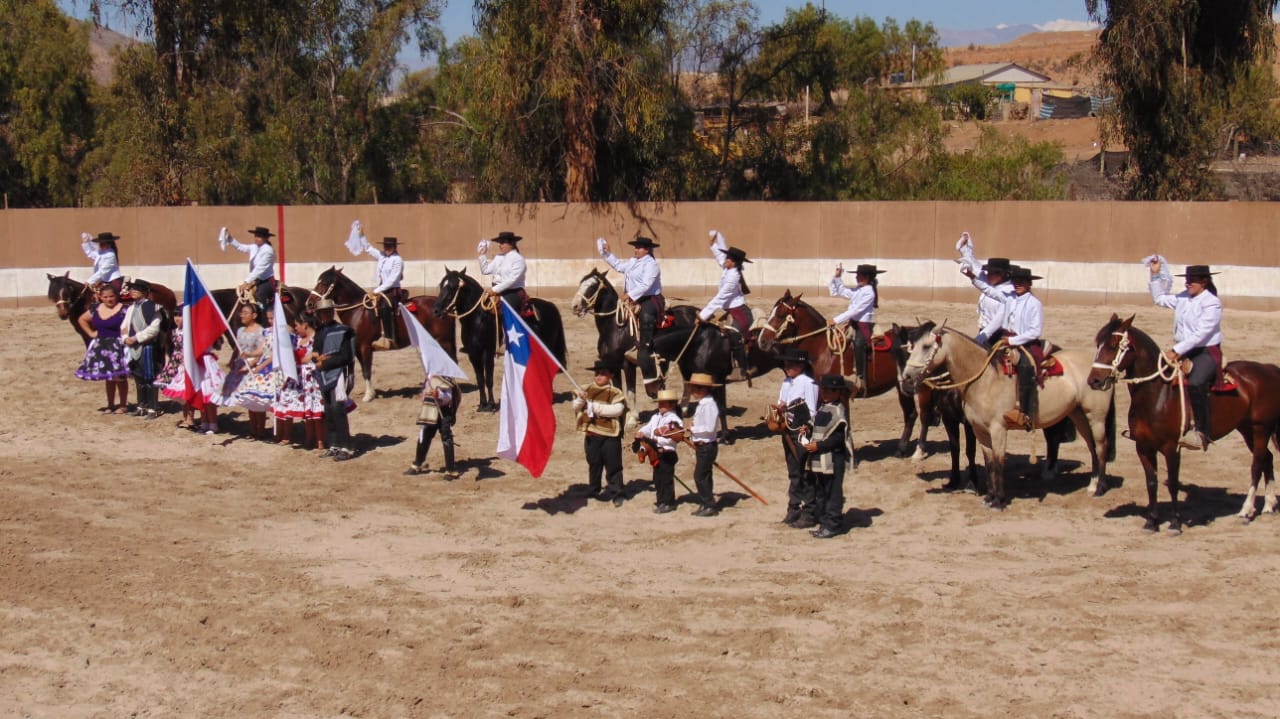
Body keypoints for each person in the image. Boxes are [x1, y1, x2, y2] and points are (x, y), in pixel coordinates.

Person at [1149, 259, 1223, 451]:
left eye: (1193, 280)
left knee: (1197, 382)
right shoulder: (1182, 297)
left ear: (1204, 282)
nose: (1188, 283)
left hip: (1204, 351)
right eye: (1187, 279)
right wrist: (1156, 274)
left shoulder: (1212, 303)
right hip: (1182, 349)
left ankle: (1202, 432)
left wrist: (1177, 350)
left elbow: (1201, 334)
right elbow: (1159, 299)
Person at [970, 265, 1044, 431]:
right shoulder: (1009, 298)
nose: (1018, 284)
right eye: (1016, 281)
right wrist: (972, 278)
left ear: (1029, 284)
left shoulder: (1034, 304)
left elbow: (1035, 331)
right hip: (1005, 340)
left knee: (1025, 367)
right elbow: (989, 290)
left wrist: (1013, 341)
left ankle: (1025, 412)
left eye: (1022, 282)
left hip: (1026, 343)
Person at [598, 236, 664, 389]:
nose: (636, 249)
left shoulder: (651, 265)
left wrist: (630, 295)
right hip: (634, 298)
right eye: (635, 247)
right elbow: (620, 266)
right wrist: (607, 254)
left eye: (639, 247)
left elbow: (646, 284)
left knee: (646, 316)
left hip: (650, 298)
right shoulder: (634, 261)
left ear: (646, 250)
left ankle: (645, 348)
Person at [773, 347, 819, 528]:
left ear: (800, 365)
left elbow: (812, 412)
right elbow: (780, 402)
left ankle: (809, 511)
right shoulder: (787, 382)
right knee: (793, 470)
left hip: (801, 431)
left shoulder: (809, 384)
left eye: (790, 364)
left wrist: (804, 427)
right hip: (787, 430)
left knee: (805, 471)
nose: (786, 367)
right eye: (785, 364)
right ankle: (794, 507)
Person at [700, 230, 754, 383]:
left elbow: (720, 298)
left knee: (734, 335)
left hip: (740, 312)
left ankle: (743, 369)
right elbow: (720, 256)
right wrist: (713, 245)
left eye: (728, 258)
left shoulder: (733, 277)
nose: (725, 259)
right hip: (729, 310)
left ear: (734, 262)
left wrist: (703, 315)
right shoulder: (728, 268)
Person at [573, 360, 628, 506]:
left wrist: (594, 407)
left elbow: (617, 410)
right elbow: (576, 408)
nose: (599, 376)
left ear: (610, 376)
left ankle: (617, 491)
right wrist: (580, 399)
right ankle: (594, 488)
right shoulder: (585, 390)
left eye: (603, 374)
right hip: (592, 434)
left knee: (613, 465)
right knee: (594, 463)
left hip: (610, 436)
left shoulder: (616, 393)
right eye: (597, 373)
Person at [804, 375, 852, 539]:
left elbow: (838, 439)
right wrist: (807, 430)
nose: (823, 393)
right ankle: (824, 522)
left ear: (837, 392)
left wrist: (818, 446)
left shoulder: (839, 411)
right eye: (823, 389)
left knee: (833, 493)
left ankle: (833, 525)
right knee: (822, 492)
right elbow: (816, 425)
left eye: (827, 390)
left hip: (833, 459)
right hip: (821, 459)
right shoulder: (824, 408)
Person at [310, 298, 357, 461]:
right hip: (323, 373)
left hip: (338, 374)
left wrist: (326, 362)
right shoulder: (320, 331)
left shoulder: (344, 331)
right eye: (322, 313)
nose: (325, 315)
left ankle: (346, 446)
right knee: (328, 410)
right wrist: (316, 357)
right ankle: (334, 444)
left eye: (327, 312)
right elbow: (316, 350)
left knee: (338, 410)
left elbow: (346, 356)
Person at [828, 262, 884, 393]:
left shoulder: (869, 292)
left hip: (863, 326)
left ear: (868, 277)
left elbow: (856, 310)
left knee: (859, 343)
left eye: (859, 275)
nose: (856, 277)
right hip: (853, 323)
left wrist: (836, 320)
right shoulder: (858, 290)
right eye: (857, 275)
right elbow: (838, 291)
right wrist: (837, 276)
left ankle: (860, 377)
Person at [75, 283, 131, 413]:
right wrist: (91, 333)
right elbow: (82, 320)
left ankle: (123, 404)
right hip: (101, 345)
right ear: (100, 297)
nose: (109, 299)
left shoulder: (125, 309)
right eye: (105, 297)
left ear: (116, 296)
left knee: (120, 378)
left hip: (118, 346)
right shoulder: (95, 308)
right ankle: (110, 404)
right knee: (108, 378)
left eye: (111, 296)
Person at [273, 312, 326, 450]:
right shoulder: (297, 339)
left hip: (313, 378)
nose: (295, 328)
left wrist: (313, 357)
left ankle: (320, 439)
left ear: (305, 325)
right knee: (306, 411)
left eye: (297, 325)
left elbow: (322, 355)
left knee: (316, 410)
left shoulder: (317, 338)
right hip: (299, 378)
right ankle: (310, 438)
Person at [955, 232, 1016, 344]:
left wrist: (979, 340)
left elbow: (996, 323)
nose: (987, 274)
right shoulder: (991, 282)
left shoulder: (1008, 293)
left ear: (1001, 274)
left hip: (999, 336)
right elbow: (975, 266)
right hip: (984, 332)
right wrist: (964, 248)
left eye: (991, 273)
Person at [121, 279, 166, 420]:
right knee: (138, 378)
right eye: (132, 289)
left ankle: (153, 407)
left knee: (150, 377)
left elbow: (153, 329)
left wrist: (136, 338)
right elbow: (125, 326)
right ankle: (142, 406)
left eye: (137, 289)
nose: (133, 291)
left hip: (148, 348)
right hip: (133, 348)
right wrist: (125, 338)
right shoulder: (131, 308)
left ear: (145, 292)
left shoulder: (154, 308)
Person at [635, 389, 683, 514]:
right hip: (656, 453)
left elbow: (674, 434)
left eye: (663, 403)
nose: (660, 405)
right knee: (658, 478)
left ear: (671, 405)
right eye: (660, 403)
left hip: (666, 452)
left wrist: (658, 437)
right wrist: (641, 432)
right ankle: (661, 500)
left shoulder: (674, 420)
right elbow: (648, 428)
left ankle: (668, 502)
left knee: (666, 479)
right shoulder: (655, 417)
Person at [406, 374, 461, 478]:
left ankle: (451, 469)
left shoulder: (445, 377)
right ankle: (418, 463)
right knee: (425, 436)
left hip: (443, 413)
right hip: (430, 411)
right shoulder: (430, 376)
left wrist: (438, 395)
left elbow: (448, 397)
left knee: (446, 438)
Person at [685, 372, 722, 517]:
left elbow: (710, 427)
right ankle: (706, 502)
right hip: (702, 445)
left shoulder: (709, 405)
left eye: (696, 389)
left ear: (703, 390)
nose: (693, 392)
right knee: (705, 475)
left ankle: (709, 504)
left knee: (699, 476)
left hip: (707, 446)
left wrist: (693, 429)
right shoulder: (703, 404)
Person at [224, 226, 277, 311]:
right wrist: (230, 239)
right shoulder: (254, 247)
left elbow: (259, 269)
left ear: (266, 238)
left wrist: (246, 282)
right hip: (256, 281)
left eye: (259, 236)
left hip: (266, 281)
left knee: (260, 297)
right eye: (256, 236)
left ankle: (264, 320)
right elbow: (241, 247)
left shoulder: (268, 251)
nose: (256, 238)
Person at [367, 236, 405, 351]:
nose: (387, 248)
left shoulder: (398, 260)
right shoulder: (382, 256)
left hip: (392, 290)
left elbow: (392, 281)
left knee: (384, 307)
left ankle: (389, 338)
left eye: (389, 246)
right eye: (385, 246)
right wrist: (360, 236)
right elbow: (369, 248)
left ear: (394, 247)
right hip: (382, 288)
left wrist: (376, 290)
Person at [478, 231, 529, 316]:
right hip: (495, 291)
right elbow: (485, 270)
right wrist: (482, 255)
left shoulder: (518, 259)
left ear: (511, 244)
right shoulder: (498, 257)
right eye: (499, 243)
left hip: (512, 292)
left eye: (502, 243)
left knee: (506, 312)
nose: (500, 245)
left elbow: (511, 280)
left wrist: (494, 290)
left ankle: (510, 329)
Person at [81, 231, 124, 297]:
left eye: (102, 244)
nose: (100, 245)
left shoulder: (110, 255)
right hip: (104, 281)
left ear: (109, 244)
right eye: (100, 243)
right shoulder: (101, 252)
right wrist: (86, 243)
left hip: (112, 281)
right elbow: (90, 253)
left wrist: (89, 281)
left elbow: (103, 270)